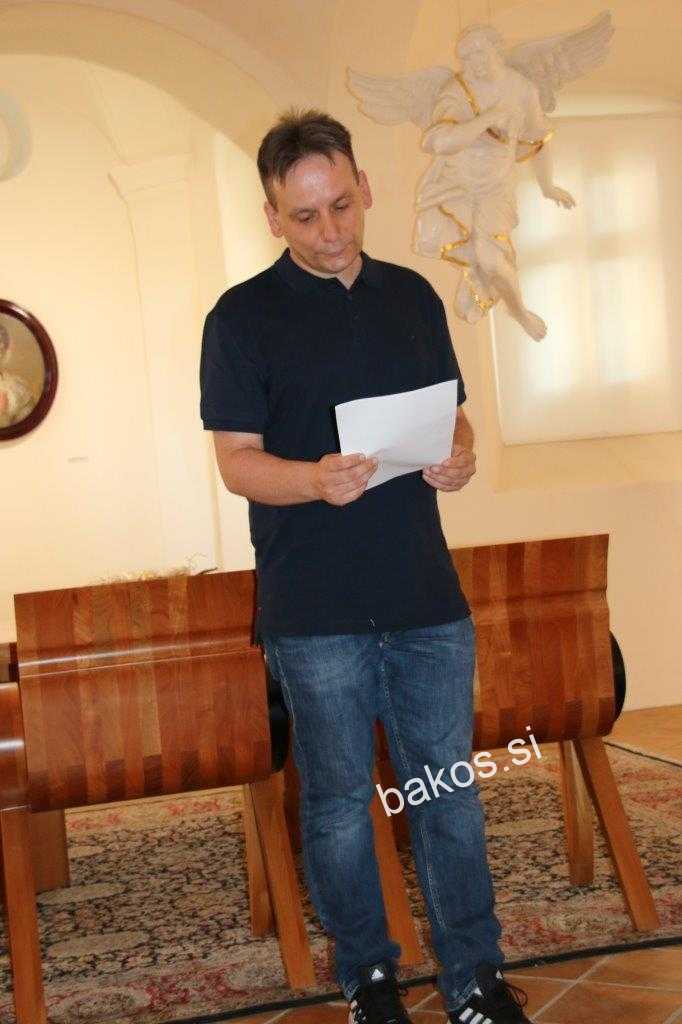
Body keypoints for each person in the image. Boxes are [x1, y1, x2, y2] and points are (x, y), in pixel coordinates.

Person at [199, 109, 533, 1024]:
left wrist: (460, 454)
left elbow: (452, 414)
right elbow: (236, 462)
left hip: (425, 596)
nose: (330, 231)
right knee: (342, 804)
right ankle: (370, 980)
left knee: (449, 794)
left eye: (342, 205)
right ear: (272, 216)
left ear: (365, 188)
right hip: (315, 610)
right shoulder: (240, 318)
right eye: (304, 216)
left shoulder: (413, 297)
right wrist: (311, 479)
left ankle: (474, 979)